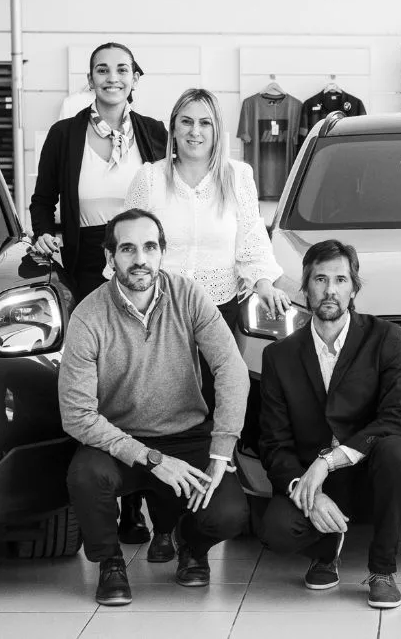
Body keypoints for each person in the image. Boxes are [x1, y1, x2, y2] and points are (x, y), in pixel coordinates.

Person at [58, 208, 251, 606]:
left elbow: (231, 368)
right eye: (128, 249)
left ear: (162, 252)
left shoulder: (188, 295)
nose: (140, 259)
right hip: (118, 442)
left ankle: (191, 545)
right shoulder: (87, 316)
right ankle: (110, 562)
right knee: (85, 476)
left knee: (229, 513)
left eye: (149, 247)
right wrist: (150, 458)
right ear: (110, 257)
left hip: (187, 435)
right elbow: (77, 415)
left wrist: (221, 451)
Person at [30, 41, 170, 549]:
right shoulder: (64, 134)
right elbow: (42, 201)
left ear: (135, 77)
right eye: (102, 70)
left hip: (142, 264)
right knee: (104, 378)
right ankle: (112, 499)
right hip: (87, 263)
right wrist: (44, 234)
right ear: (91, 79)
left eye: (121, 69)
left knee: (147, 374)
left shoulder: (154, 132)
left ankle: (143, 504)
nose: (112, 77)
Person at [257, 240, 401, 610]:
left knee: (397, 452)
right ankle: (325, 550)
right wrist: (307, 490)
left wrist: (328, 461)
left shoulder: (384, 337)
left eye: (340, 280)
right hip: (312, 477)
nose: (330, 290)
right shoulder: (279, 356)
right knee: (276, 531)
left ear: (354, 288)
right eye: (320, 279)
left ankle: (382, 571)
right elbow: (273, 443)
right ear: (305, 287)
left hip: (367, 470)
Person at [124, 87, 291, 335]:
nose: (195, 131)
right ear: (173, 127)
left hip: (219, 312)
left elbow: (252, 243)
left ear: (216, 130)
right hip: (157, 311)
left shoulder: (238, 176)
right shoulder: (149, 178)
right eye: (186, 121)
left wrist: (265, 285)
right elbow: (126, 243)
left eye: (205, 123)